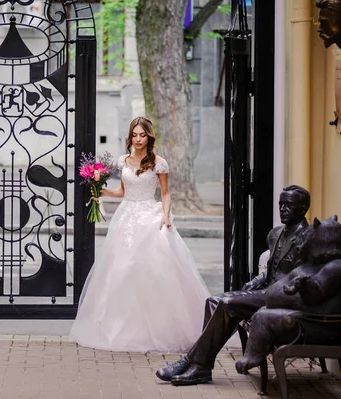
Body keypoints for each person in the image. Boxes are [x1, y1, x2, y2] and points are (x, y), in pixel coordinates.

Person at [69, 116, 210, 353]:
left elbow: (165, 194)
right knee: (120, 269)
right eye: (134, 135)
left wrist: (166, 215)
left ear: (149, 137)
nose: (137, 139)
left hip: (149, 216)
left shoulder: (159, 163)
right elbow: (123, 191)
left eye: (142, 135)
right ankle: (119, 325)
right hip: (126, 218)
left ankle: (161, 326)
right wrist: (101, 191)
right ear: (130, 136)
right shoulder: (123, 161)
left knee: (152, 270)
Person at [156, 185, 311, 385]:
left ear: (303, 207)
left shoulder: (308, 238)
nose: (283, 209)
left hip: (283, 298)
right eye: (281, 204)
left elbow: (302, 276)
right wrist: (258, 280)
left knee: (228, 304)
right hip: (265, 290)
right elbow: (272, 268)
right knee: (213, 301)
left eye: (289, 205)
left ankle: (194, 363)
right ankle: (199, 365)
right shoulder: (276, 234)